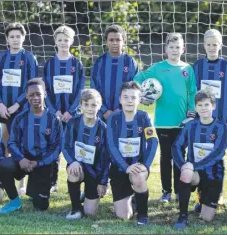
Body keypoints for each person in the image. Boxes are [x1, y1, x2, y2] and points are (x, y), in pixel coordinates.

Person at [134, 33, 197, 203]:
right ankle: (166, 192)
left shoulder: (187, 69)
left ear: (183, 49)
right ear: (166, 49)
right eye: (171, 47)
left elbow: (193, 92)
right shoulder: (158, 68)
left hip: (182, 121)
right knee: (165, 157)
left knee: (179, 155)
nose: (175, 50)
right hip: (162, 121)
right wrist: (143, 94)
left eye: (178, 47)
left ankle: (178, 191)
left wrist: (191, 110)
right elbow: (138, 78)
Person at [0, 78, 63, 214]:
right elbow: (12, 143)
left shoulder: (54, 120)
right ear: (26, 96)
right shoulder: (20, 118)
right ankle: (14, 201)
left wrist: (39, 163)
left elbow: (56, 149)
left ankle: (35, 189)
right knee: (3, 166)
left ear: (45, 94)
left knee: (41, 206)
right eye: (31, 95)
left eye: (38, 94)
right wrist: (21, 159)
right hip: (23, 161)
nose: (35, 98)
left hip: (42, 164)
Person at [0, 22, 39, 196]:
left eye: (18, 36)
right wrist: (0, 104)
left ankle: (21, 184)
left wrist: (18, 104)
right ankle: (3, 181)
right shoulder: (0, 59)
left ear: (23, 38)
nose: (15, 39)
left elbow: (32, 84)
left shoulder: (29, 58)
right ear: (7, 39)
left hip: (22, 109)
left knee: (21, 144)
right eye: (12, 36)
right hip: (3, 109)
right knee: (3, 142)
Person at [172, 90, 227, 229]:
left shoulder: (220, 127)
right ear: (195, 107)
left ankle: (202, 199)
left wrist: (194, 166)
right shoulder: (190, 125)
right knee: (186, 173)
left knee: (206, 218)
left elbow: (218, 153)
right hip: (194, 173)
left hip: (213, 174)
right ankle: (183, 216)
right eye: (200, 105)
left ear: (213, 106)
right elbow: (176, 146)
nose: (203, 108)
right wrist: (184, 165)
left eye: (206, 105)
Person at [192, 29, 227, 209]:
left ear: (220, 46)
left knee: (218, 155)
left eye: (215, 45)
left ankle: (217, 196)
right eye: (208, 44)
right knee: (201, 153)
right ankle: (200, 196)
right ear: (204, 46)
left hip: (219, 121)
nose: (211, 48)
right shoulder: (197, 66)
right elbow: (192, 93)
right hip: (201, 120)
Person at [106, 82, 158, 225]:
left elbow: (153, 141)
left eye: (133, 97)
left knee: (138, 177)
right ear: (120, 99)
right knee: (123, 216)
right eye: (126, 97)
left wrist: (145, 165)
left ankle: (143, 215)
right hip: (119, 168)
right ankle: (132, 197)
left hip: (137, 166)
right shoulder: (113, 118)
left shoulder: (144, 117)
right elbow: (111, 145)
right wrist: (125, 166)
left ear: (139, 99)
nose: (129, 101)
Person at [43, 25, 85, 193]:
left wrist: (71, 111)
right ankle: (52, 182)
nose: (63, 43)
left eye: (66, 40)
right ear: (55, 41)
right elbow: (45, 90)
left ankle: (74, 179)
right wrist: (55, 112)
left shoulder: (77, 63)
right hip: (55, 114)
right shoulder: (49, 64)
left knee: (73, 146)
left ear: (71, 41)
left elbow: (81, 89)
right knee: (54, 146)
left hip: (72, 114)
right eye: (60, 40)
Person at [63, 89, 109, 220]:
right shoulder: (73, 123)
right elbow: (65, 145)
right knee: (73, 172)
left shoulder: (103, 129)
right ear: (81, 106)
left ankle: (87, 195)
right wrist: (72, 161)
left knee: (91, 213)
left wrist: (103, 182)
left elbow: (106, 159)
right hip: (78, 166)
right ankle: (75, 209)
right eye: (86, 104)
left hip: (95, 172)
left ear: (99, 106)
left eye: (94, 105)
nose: (90, 108)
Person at [91, 24, 138, 121]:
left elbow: (135, 89)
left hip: (125, 114)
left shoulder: (130, 62)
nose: (115, 43)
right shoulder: (99, 63)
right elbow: (93, 89)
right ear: (106, 42)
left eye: (118, 40)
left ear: (124, 42)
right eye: (111, 40)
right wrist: (104, 110)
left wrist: (121, 110)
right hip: (101, 115)